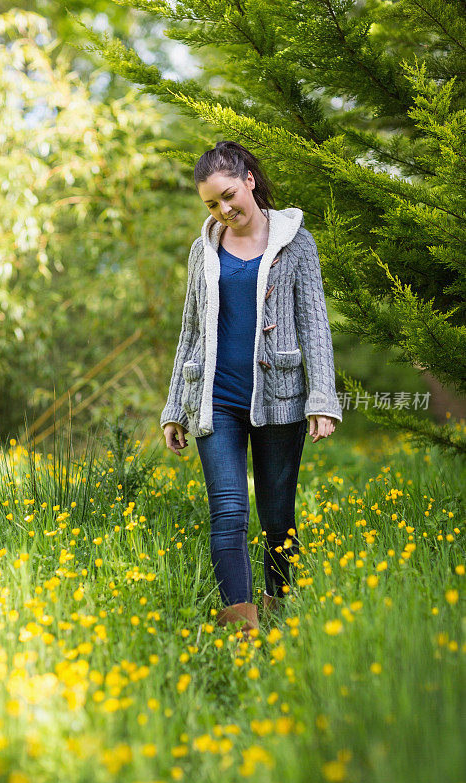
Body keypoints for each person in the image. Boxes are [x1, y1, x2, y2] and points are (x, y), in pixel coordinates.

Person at [160, 140, 343, 641]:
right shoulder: (204, 250)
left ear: (249, 181)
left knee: (278, 514)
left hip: (280, 399)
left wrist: (321, 399)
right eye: (211, 204)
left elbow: (315, 325)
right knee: (228, 511)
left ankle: (280, 612)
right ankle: (241, 630)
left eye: (227, 196)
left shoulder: (296, 243)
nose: (223, 210)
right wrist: (176, 406)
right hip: (214, 400)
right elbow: (191, 330)